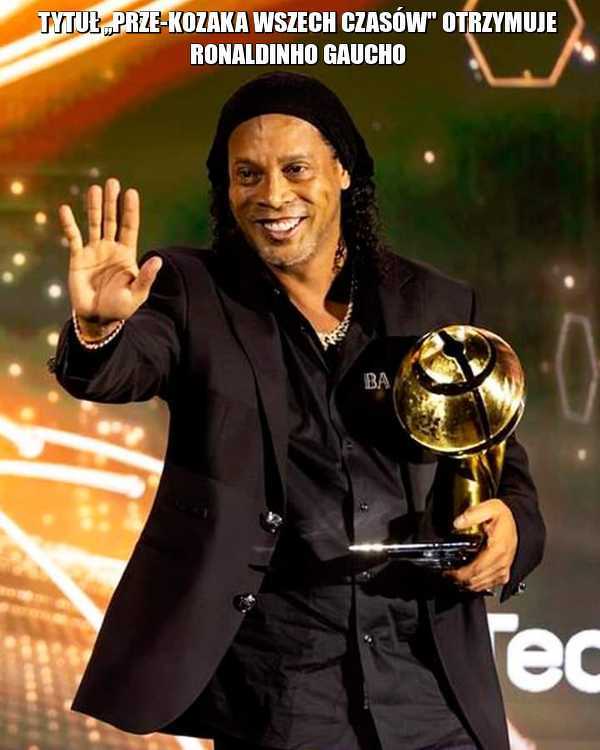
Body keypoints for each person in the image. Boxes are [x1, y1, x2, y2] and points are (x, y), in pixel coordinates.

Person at [51, 72, 545, 750]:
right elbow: (120, 369)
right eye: (247, 175)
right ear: (227, 189)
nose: (273, 195)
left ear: (343, 170)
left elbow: (502, 464)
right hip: (279, 697)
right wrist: (98, 330)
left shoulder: (433, 303)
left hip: (430, 691)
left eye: (295, 169)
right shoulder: (189, 291)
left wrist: (514, 530)